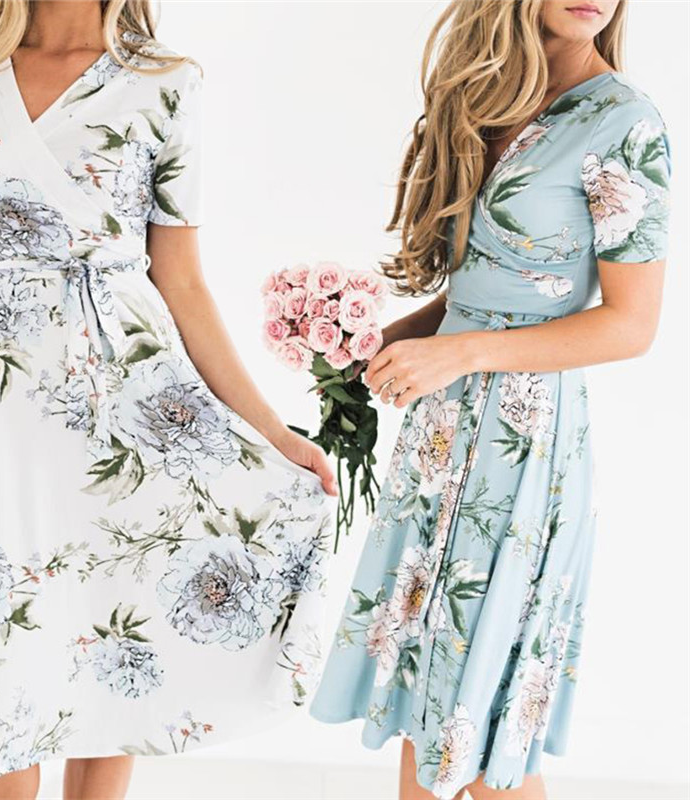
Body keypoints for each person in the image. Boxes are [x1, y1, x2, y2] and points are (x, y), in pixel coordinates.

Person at [0, 1, 336, 796]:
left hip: (136, 404)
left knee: (114, 628)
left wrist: (273, 433)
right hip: (3, 415)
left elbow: (182, 281)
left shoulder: (166, 83)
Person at [309, 2, 670, 798]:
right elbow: (483, 288)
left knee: (480, 725)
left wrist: (462, 354)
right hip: (441, 434)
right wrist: (387, 343)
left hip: (522, 446)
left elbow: (631, 325)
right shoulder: (482, 101)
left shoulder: (624, 122)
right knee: (424, 701)